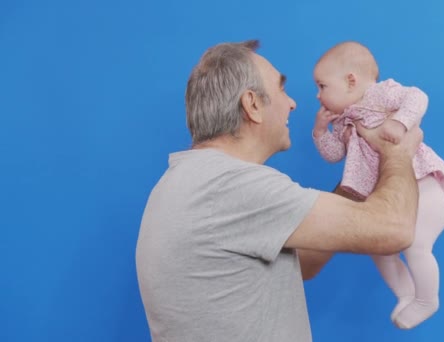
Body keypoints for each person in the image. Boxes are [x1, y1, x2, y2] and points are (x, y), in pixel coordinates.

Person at [135, 39, 423, 342]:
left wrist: (358, 176)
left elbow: (305, 262)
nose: (293, 103)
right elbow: (396, 229)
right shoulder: (232, 186)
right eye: (281, 89)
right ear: (252, 104)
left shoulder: (188, 181)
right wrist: (398, 152)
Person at [312, 41, 444, 329]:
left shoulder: (379, 94)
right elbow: (334, 155)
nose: (318, 95)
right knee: (378, 248)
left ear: (351, 80)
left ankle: (428, 299)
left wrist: (401, 123)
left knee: (416, 246)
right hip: (390, 199)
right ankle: (406, 295)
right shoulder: (343, 122)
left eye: (322, 86)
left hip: (421, 186)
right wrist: (320, 131)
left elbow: (417, 97)